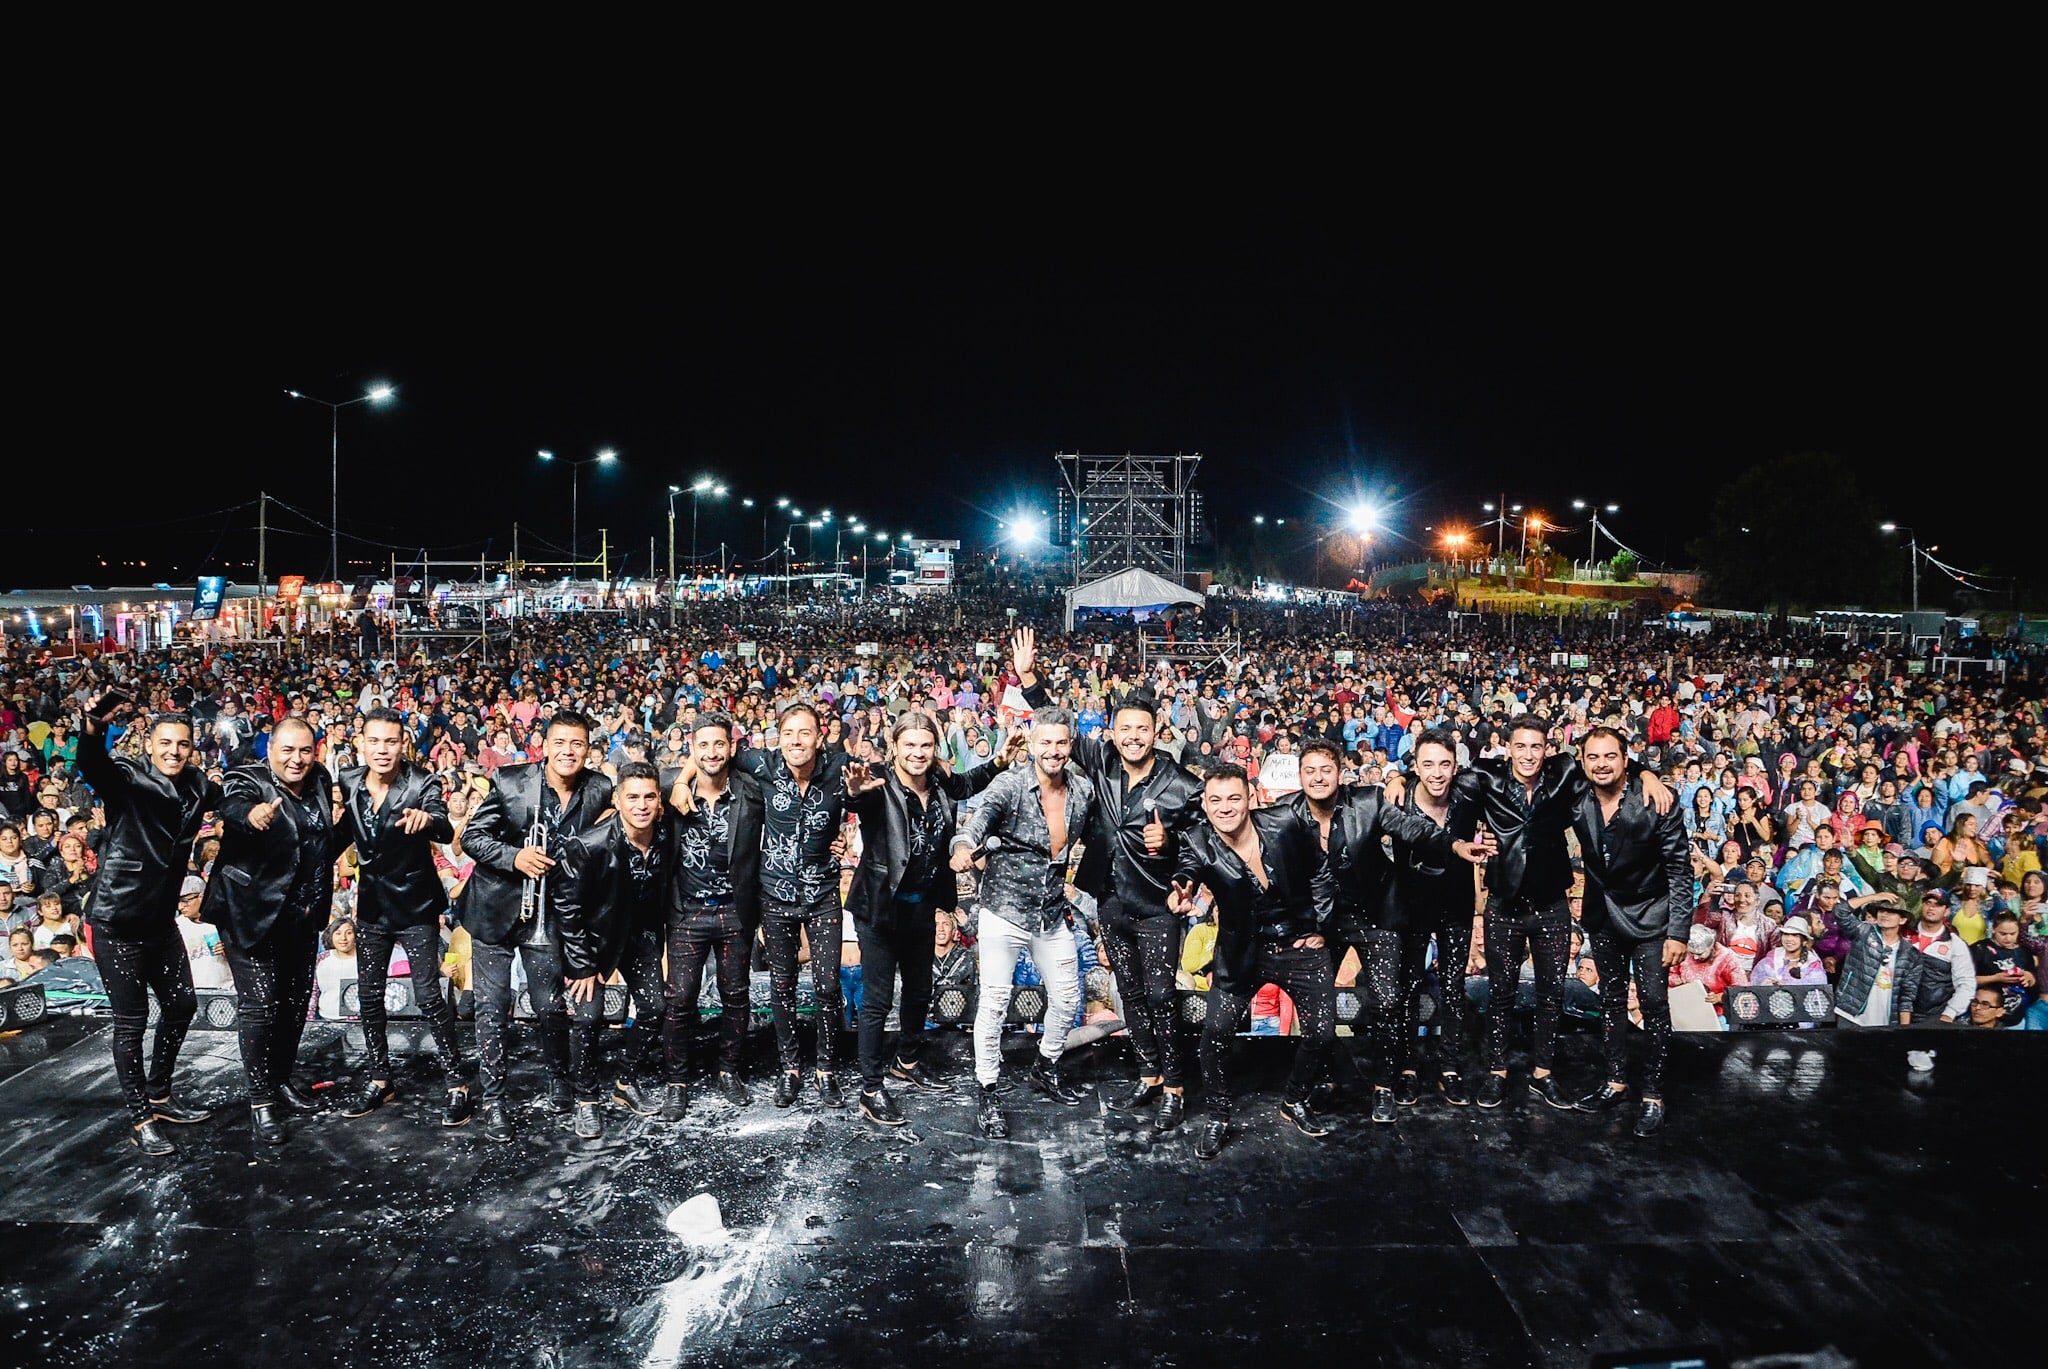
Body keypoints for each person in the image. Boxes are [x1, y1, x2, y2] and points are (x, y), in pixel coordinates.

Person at [1016, 628, 1203, 1132]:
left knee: (1163, 994)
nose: (1133, 737)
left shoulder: (1181, 783)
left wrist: (1182, 869)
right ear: (1114, 732)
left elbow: (1203, 842)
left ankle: (1178, 1085)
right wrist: (1030, 678)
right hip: (1110, 901)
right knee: (1132, 992)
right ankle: (1149, 1075)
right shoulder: (1099, 763)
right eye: (1124, 730)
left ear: (1156, 729)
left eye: (1141, 729)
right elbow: (1058, 729)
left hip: (1159, 904)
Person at [1447, 718, 1671, 1109]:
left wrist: (1645, 771)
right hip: (1504, 904)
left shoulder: (1565, 770)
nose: (1528, 754)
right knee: (1501, 993)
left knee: (1550, 994)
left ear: (1547, 749)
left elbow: (1604, 762)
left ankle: (1543, 1073)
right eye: (1521, 746)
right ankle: (1496, 1073)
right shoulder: (1485, 776)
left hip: (1552, 905)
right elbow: (1439, 775)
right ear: (1508, 749)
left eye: (1536, 746)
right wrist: (1400, 780)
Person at [841, 710, 1014, 1127]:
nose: (918, 753)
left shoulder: (939, 779)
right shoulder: (877, 782)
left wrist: (999, 761)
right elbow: (857, 798)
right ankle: (870, 1088)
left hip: (921, 904)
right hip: (882, 907)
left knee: (919, 990)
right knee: (879, 1001)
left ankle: (907, 1060)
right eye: (910, 745)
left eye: (926, 745)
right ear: (895, 747)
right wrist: (853, 792)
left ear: (935, 749)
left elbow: (969, 783)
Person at [74, 696, 223, 1156]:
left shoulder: (197, 784)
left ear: (192, 748)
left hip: (161, 920)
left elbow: (229, 792)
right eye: (165, 743)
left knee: (181, 1005)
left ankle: (160, 1094)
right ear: (149, 745)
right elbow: (92, 765)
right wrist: (93, 728)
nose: (174, 751)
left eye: (182, 744)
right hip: (117, 920)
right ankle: (141, 1117)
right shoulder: (127, 776)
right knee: (131, 1021)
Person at [460, 708, 614, 1142]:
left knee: (550, 1006)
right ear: (544, 747)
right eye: (560, 743)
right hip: (495, 912)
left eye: (577, 744)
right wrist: (514, 858)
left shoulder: (600, 788)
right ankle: (494, 1101)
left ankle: (557, 1077)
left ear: (589, 750)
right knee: (493, 1009)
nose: (568, 751)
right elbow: (471, 836)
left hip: (549, 917)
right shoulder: (511, 781)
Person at [1292, 734, 1463, 1124]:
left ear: (1341, 773)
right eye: (1310, 771)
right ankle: (1327, 1076)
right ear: (1300, 776)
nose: (1318, 778)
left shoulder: (1368, 802)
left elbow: (1412, 828)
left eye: (1326, 770)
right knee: (1317, 1005)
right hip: (1324, 921)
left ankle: (1384, 1085)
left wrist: (1453, 846)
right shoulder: (1286, 812)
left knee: (1386, 1000)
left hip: (1376, 915)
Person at [1170, 763, 1337, 1159]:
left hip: (1299, 945)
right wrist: (1181, 891)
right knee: (1215, 1035)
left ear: (1250, 798)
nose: (1225, 808)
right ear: (1205, 805)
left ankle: (1294, 1100)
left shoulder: (1285, 822)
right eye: (1215, 800)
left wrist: (1322, 927)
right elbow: (1187, 873)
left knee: (1322, 1035)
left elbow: (1321, 871)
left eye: (1233, 798)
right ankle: (1218, 1115)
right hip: (1242, 951)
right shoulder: (1197, 840)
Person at [950, 705, 1098, 1140]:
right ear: (1032, 744)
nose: (1053, 751)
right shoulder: (1010, 785)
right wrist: (963, 847)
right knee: (994, 1001)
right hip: (1004, 909)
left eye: (1061, 742)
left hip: (1051, 912)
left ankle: (1046, 1064)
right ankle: (987, 1086)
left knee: (1069, 996)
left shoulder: (1084, 791)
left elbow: (1096, 839)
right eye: (1045, 742)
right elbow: (975, 825)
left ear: (1070, 746)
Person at [201, 717, 346, 1144]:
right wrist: (251, 815)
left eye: (305, 750)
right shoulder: (247, 779)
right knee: (260, 1004)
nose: (297, 759)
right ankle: (260, 1100)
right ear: (270, 751)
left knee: (294, 1001)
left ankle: (281, 1078)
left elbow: (319, 842)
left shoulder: (318, 778)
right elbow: (232, 805)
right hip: (250, 912)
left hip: (300, 914)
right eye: (287, 750)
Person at [334, 708, 470, 1128]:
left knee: (429, 996)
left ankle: (457, 1083)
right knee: (369, 997)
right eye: (374, 741)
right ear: (361, 744)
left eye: (390, 741)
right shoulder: (351, 780)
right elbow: (343, 835)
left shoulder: (421, 782)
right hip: (373, 906)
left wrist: (427, 819)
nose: (382, 750)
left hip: (414, 906)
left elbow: (444, 826)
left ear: (403, 744)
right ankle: (380, 1078)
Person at [730, 700, 858, 1109]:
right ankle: (790, 1069)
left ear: (821, 736)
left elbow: (880, 784)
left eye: (805, 733)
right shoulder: (762, 765)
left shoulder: (841, 767)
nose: (796, 741)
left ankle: (826, 1070)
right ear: (778, 738)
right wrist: (683, 781)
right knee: (781, 986)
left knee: (827, 986)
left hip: (822, 894)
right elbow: (716, 751)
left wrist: (851, 833)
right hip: (775, 895)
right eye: (788, 734)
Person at [1568, 727, 1693, 1138]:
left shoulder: (1656, 800)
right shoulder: (1577, 792)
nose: (1601, 764)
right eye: (1593, 757)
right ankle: (1616, 1080)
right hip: (1602, 915)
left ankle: (1653, 1094)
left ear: (1625, 759)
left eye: (1610, 757)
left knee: (1655, 1004)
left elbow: (1679, 869)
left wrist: (1678, 932)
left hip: (1651, 918)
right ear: (1582, 761)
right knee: (1611, 1000)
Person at [552, 760, 672, 1140]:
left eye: (649, 797)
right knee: (588, 1018)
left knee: (655, 1008)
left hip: (639, 935)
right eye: (632, 797)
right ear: (617, 801)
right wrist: (583, 965)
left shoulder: (667, 835)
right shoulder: (589, 845)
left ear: (659, 802)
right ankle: (586, 1099)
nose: (641, 805)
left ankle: (625, 1081)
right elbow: (567, 908)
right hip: (594, 940)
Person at [661, 712, 763, 1118]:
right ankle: (677, 1081)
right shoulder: (669, 787)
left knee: (735, 996)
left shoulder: (750, 790)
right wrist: (684, 778)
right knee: (679, 998)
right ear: (691, 750)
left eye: (719, 743)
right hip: (686, 913)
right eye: (702, 745)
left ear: (732, 747)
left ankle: (728, 1071)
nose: (712, 752)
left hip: (735, 913)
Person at [1387, 730, 1486, 1103]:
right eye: (1427, 764)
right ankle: (1409, 1067)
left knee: (1453, 988)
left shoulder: (1468, 792)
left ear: (1455, 767)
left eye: (1444, 764)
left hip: (1456, 904)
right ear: (1415, 766)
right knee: (1408, 987)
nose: (1437, 772)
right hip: (1411, 906)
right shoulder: (1399, 797)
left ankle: (1449, 1066)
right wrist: (1394, 777)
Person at [1833, 896, 1923, 1028]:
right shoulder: (1863, 931)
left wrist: (1905, 1030)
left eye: (1891, 912)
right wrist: (1873, 897)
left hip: (1886, 1021)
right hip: (1851, 1013)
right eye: (1881, 910)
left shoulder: (1911, 954)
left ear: (1903, 919)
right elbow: (1840, 911)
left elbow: (1907, 996)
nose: (1884, 914)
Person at [1971, 911, 2039, 1026]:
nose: (2008, 938)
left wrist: (2030, 978)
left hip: (2018, 1015)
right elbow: (1965, 980)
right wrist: (1995, 978)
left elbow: (2034, 981)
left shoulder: (2024, 951)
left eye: (2013, 934)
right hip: (1987, 1015)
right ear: (1993, 929)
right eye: (2003, 934)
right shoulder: (1979, 949)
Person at [1750, 916, 1829, 988]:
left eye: (1795, 935)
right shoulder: (1770, 959)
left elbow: (1817, 991)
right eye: (1786, 934)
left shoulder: (1813, 964)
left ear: (1804, 941)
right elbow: (1757, 980)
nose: (1789, 939)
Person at [315, 918, 359, 1020]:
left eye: (348, 933)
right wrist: (310, 1021)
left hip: (357, 1023)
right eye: (338, 933)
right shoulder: (322, 959)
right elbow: (314, 992)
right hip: (325, 1019)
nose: (343, 938)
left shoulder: (364, 961)